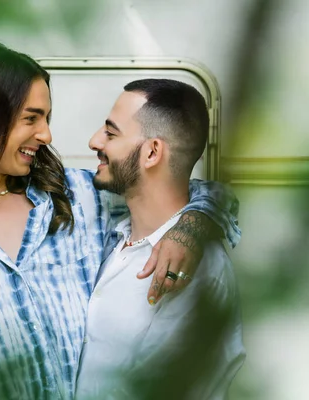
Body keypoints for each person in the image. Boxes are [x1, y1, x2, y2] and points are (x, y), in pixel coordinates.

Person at [0, 43, 241, 399]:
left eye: (47, 118)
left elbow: (180, 186)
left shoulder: (77, 197)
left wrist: (191, 225)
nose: (47, 135)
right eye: (31, 118)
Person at [75, 79, 245, 400]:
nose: (94, 141)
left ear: (152, 152)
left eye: (111, 133)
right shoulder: (114, 234)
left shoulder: (194, 270)